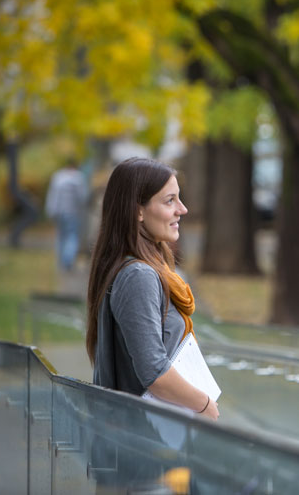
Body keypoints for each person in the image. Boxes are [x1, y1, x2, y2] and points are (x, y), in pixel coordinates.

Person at [86, 157, 219, 415]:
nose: (182, 209)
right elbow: (154, 372)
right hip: (145, 438)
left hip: (144, 434)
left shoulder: (136, 268)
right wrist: (204, 405)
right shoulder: (138, 275)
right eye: (170, 201)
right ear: (138, 210)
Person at [45, 158, 88, 271]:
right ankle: (68, 261)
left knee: (61, 236)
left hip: (58, 212)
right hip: (73, 212)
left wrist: (51, 210)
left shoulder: (58, 177)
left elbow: (52, 195)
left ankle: (61, 262)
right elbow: (82, 197)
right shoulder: (78, 178)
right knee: (72, 236)